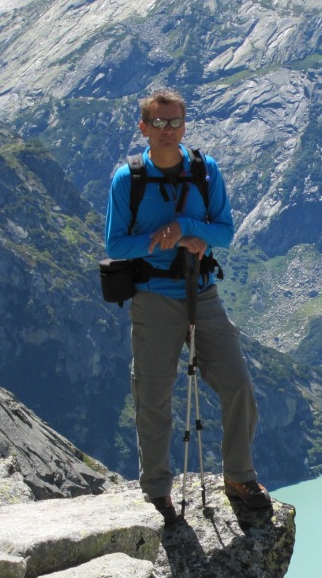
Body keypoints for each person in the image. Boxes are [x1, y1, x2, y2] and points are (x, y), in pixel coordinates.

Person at [105, 88, 270, 524]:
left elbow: (225, 232)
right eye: (159, 123)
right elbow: (115, 244)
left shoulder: (205, 170)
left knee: (238, 385)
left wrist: (186, 227)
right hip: (154, 298)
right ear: (143, 127)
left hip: (203, 293)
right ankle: (157, 491)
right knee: (153, 397)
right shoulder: (128, 179)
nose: (168, 130)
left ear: (184, 125)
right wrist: (166, 240)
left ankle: (239, 476)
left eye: (175, 122)